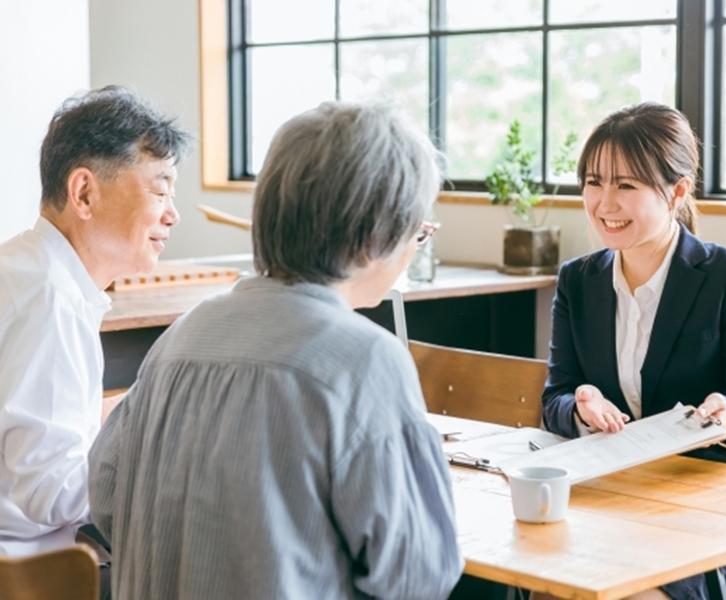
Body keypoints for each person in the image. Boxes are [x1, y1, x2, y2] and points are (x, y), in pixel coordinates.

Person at [88, 101, 463, 599]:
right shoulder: (365, 359)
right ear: (375, 236)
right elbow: (418, 574)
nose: (415, 245)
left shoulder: (182, 336)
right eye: (418, 230)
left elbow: (107, 497)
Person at [541, 102, 726, 599]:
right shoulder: (579, 280)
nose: (604, 203)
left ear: (677, 191)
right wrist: (580, 405)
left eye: (626, 186)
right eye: (594, 182)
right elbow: (555, 397)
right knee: (550, 586)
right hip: (632, 502)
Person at [0, 86, 188, 560]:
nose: (173, 214)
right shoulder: (49, 299)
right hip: (29, 568)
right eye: (160, 189)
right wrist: (167, 460)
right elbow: (51, 491)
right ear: (84, 192)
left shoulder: (28, 268)